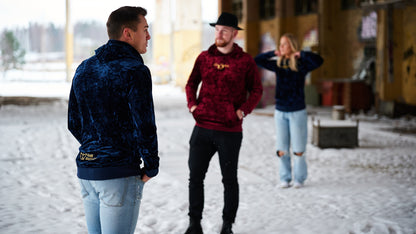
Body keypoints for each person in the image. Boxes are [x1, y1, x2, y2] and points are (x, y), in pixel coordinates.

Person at [68, 6, 159, 234]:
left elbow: (73, 121)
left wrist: (96, 145)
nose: (148, 36)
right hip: (118, 173)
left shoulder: (84, 68)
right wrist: (151, 165)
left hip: (87, 172)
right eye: (145, 29)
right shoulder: (135, 70)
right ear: (128, 33)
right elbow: (144, 124)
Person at [184, 12, 263, 234]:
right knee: (195, 178)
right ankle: (194, 223)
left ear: (234, 34)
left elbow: (257, 89)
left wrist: (243, 111)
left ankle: (227, 225)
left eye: (224, 30)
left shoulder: (245, 61)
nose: (219, 34)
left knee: (229, 179)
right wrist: (193, 106)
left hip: (229, 131)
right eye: (217, 29)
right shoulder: (204, 58)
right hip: (202, 129)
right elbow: (191, 84)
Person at [254, 33, 323, 189]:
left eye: (284, 44)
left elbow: (319, 61)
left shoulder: (301, 64)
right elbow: (257, 60)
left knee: (298, 149)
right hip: (280, 112)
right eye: (280, 44)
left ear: (292, 46)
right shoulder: (279, 64)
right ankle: (285, 178)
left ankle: (299, 179)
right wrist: (273, 53)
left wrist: (302, 54)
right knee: (282, 149)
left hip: (297, 111)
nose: (281, 47)